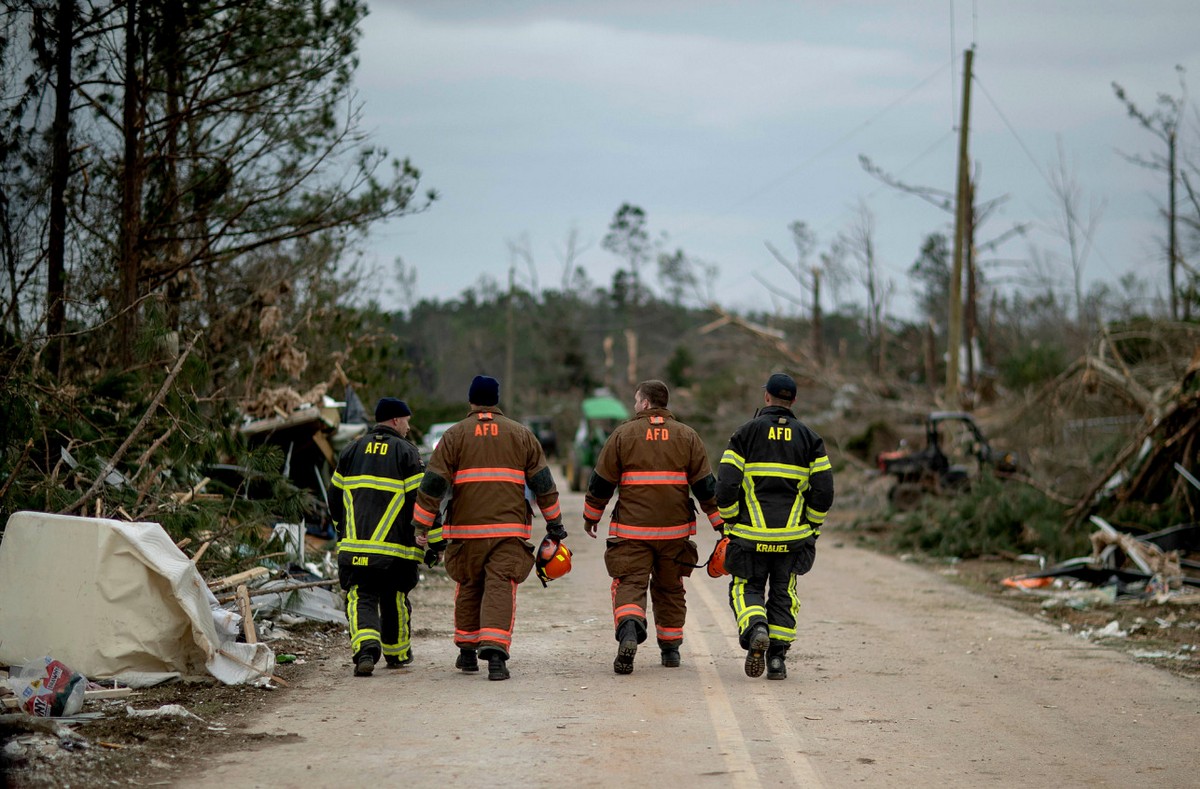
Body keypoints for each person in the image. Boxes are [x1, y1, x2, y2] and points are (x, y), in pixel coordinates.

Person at [412, 375, 565, 681]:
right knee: (499, 585)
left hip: (465, 531)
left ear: (471, 400)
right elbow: (544, 484)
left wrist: (422, 525)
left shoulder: (454, 436)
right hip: (509, 530)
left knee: (469, 584)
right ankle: (495, 656)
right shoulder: (522, 435)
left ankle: (468, 654)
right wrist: (555, 523)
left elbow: (433, 484)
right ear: (496, 401)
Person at [583, 380, 722, 674]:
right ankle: (670, 649)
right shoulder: (688, 436)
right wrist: (720, 523)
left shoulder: (622, 435)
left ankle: (630, 630)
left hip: (632, 532)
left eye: (636, 400)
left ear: (646, 403)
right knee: (670, 587)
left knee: (630, 583)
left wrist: (591, 516)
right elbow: (706, 486)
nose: (635, 405)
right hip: (675, 532)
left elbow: (602, 482)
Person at [716, 373, 833, 680]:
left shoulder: (745, 434)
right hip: (793, 537)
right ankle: (777, 659)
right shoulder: (810, 438)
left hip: (749, 536)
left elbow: (727, 483)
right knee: (784, 593)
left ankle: (757, 628)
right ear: (793, 401)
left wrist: (730, 519)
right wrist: (812, 526)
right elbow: (824, 490)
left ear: (766, 396)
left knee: (746, 587)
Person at [329, 397, 441, 677]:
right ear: (394, 420)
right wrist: (435, 541)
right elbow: (423, 500)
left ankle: (366, 649)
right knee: (394, 596)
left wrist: (341, 530)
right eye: (406, 420)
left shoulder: (351, 450)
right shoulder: (407, 453)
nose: (409, 425)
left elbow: (334, 498)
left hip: (354, 547)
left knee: (361, 595)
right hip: (396, 550)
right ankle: (397, 653)